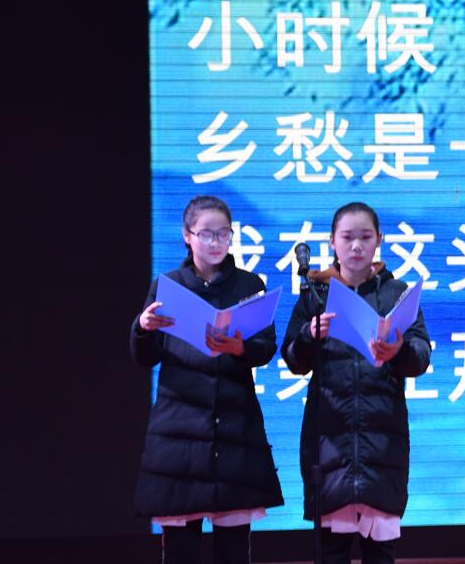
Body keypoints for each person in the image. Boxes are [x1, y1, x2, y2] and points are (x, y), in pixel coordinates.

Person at [131, 195, 284, 564]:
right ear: (187, 236)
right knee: (180, 549)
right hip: (179, 430)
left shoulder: (249, 284)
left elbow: (266, 347)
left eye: (223, 234)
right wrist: (143, 327)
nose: (216, 242)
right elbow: (145, 356)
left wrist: (239, 347)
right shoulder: (168, 285)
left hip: (234, 427)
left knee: (233, 548)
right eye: (206, 234)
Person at [281, 202, 432, 564]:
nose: (356, 246)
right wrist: (309, 335)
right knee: (331, 552)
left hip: (382, 444)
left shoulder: (397, 293)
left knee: (380, 553)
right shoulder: (315, 295)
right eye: (347, 237)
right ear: (332, 241)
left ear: (379, 240)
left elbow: (421, 356)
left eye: (365, 237)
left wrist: (397, 350)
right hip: (329, 441)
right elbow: (293, 360)